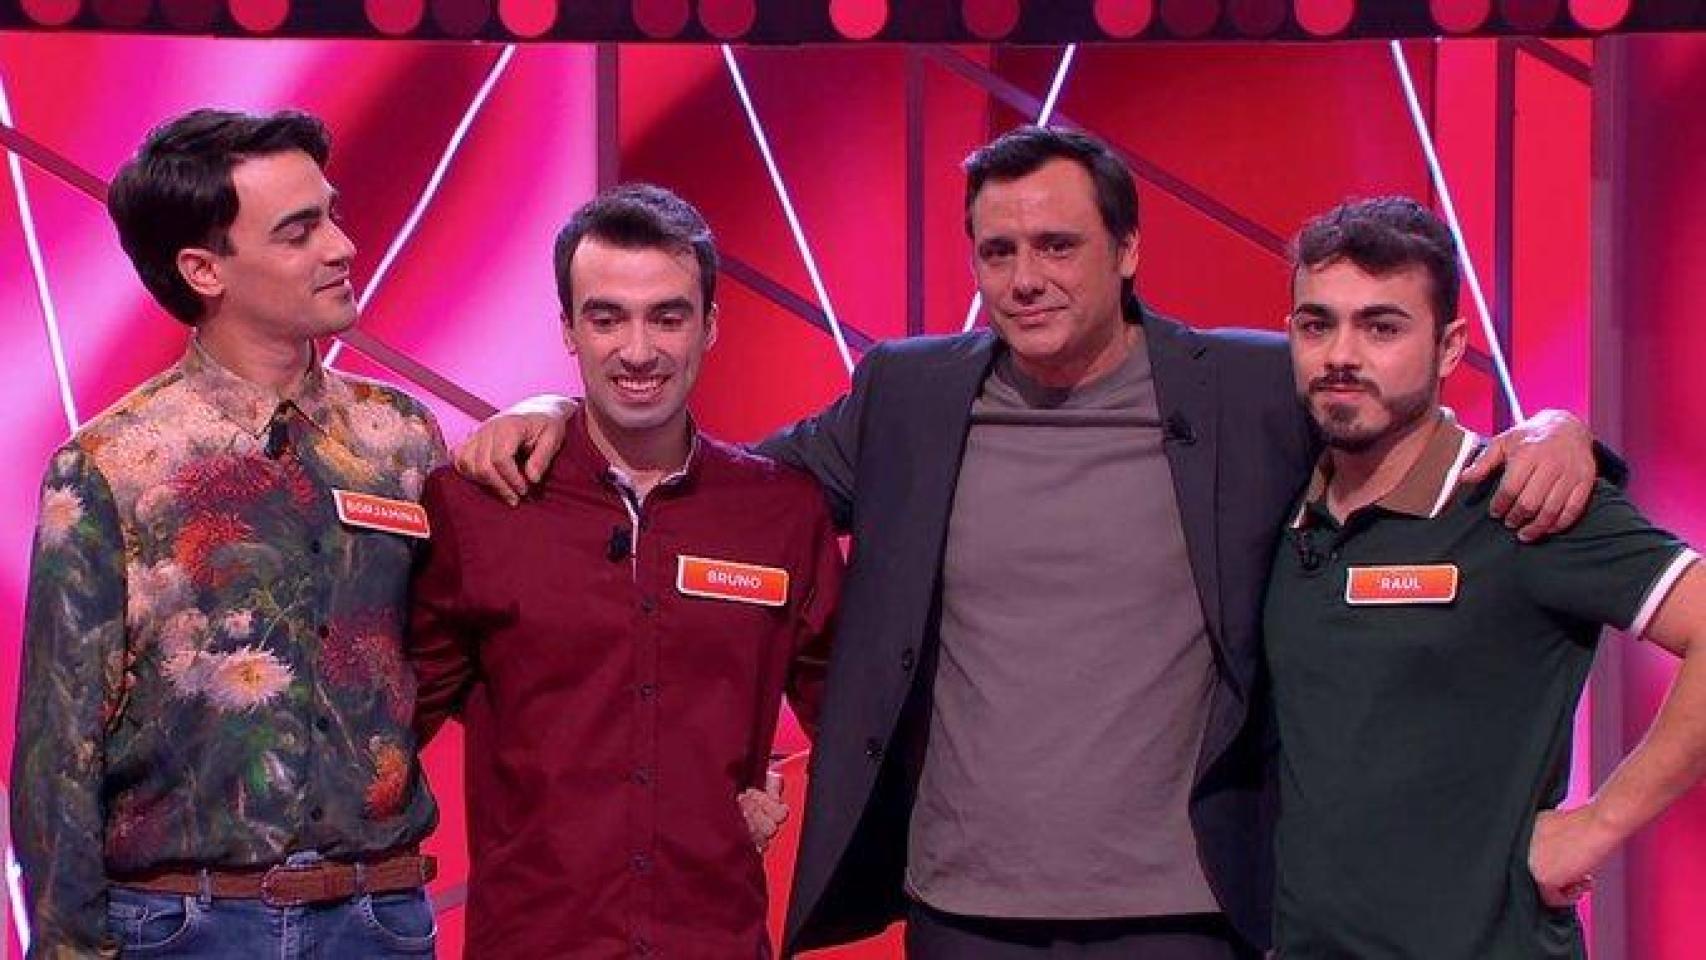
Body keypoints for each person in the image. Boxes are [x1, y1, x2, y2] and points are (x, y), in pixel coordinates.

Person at [455, 127, 1599, 958]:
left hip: (1184, 907)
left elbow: (1394, 424)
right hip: (963, 909)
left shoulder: (1251, 386)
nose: (1024, 278)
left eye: (1055, 245)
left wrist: (1553, 429)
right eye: (996, 250)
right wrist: (562, 413)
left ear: (1127, 248)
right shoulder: (908, 395)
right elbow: (722, 490)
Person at [11, 109, 444, 958]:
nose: (343, 246)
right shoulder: (113, 466)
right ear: (203, 269)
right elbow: (59, 750)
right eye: (298, 231)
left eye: (332, 215)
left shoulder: (402, 440)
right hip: (185, 927)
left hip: (377, 918)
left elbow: (460, 654)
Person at [406, 184, 841, 959]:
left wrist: (772, 780)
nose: (638, 351)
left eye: (667, 317)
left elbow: (855, 721)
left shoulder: (780, 513)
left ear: (710, 324)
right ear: (568, 330)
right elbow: (387, 724)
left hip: (712, 940)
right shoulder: (478, 505)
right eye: (606, 318)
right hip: (535, 943)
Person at [1265, 196, 1706, 959]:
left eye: (1381, 327)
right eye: (1317, 324)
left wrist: (1599, 825)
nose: (1341, 354)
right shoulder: (1275, 502)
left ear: (1449, 347)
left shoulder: (1521, 500)